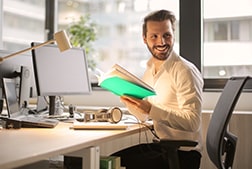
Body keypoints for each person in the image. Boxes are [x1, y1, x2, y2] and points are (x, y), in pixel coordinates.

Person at [111, 9, 204, 169]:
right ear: (144, 39)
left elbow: (193, 122)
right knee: (111, 160)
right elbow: (144, 116)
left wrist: (151, 109)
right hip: (164, 148)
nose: (161, 42)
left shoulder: (184, 70)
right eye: (154, 36)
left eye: (166, 35)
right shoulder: (150, 70)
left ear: (173, 35)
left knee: (114, 164)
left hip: (183, 155)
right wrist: (130, 102)